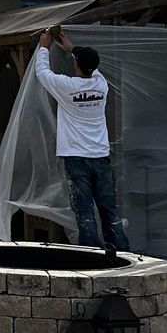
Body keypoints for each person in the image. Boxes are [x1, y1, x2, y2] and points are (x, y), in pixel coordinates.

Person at [33, 25, 128, 251]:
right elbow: (88, 62)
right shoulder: (101, 84)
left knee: (84, 209)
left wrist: (44, 47)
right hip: (100, 155)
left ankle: (92, 253)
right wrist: (71, 46)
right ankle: (121, 251)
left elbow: (42, 73)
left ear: (77, 65)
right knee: (109, 207)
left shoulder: (67, 87)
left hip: (76, 156)